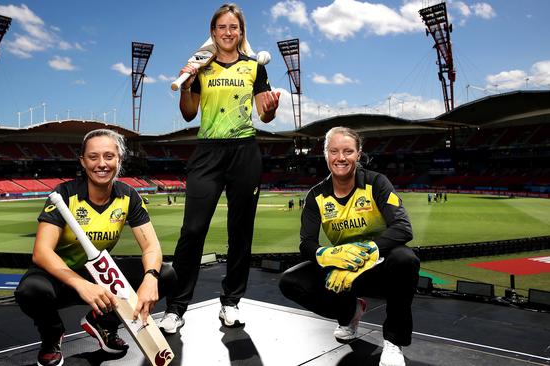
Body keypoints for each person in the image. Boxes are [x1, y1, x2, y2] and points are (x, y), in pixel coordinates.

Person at [159, 3, 280, 333]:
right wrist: (187, 84)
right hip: (208, 151)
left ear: (241, 33)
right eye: (222, 27)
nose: (228, 32)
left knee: (240, 233)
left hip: (245, 151)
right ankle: (176, 307)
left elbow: (264, 113)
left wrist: (270, 109)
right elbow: (188, 113)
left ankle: (231, 302)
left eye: (234, 27)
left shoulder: (255, 68)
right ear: (213, 33)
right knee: (193, 230)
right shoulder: (202, 67)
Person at [15, 129, 176, 366]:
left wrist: (150, 278)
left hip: (99, 274)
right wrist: (81, 284)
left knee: (165, 274)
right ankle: (52, 336)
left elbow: (151, 245)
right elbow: (42, 252)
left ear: (119, 159)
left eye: (109, 156)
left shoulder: (128, 196)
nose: (102, 164)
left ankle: (104, 323)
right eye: (93, 157)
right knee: (30, 290)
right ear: (83, 161)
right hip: (58, 276)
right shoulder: (65, 194)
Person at [279, 127, 419, 366]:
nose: (340, 158)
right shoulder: (316, 196)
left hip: (379, 266)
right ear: (325, 154)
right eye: (334, 151)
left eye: (348, 151)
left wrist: (363, 255)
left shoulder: (376, 183)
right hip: (341, 270)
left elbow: (403, 228)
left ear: (359, 153)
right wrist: (330, 255)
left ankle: (394, 342)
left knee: (406, 260)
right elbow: (307, 243)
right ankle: (350, 313)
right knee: (290, 282)